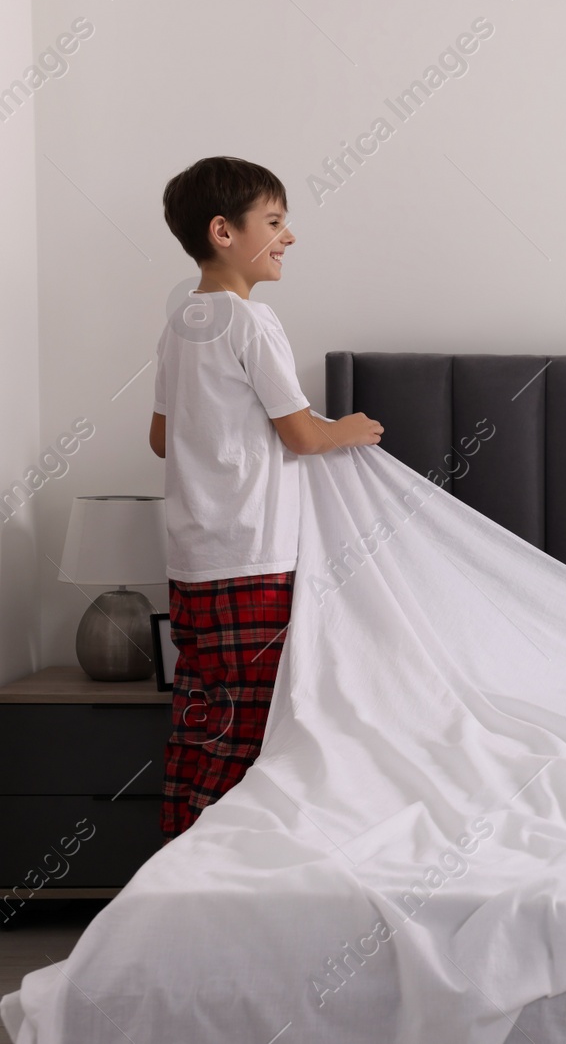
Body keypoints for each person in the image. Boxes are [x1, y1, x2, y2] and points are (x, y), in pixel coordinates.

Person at [149, 156, 383, 839]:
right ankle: (221, 871)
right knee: (251, 728)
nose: (289, 236)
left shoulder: (179, 325)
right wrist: (350, 429)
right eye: (275, 221)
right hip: (253, 557)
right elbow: (303, 436)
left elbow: (162, 439)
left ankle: (177, 855)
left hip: (193, 562)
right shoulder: (252, 322)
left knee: (203, 719)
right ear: (224, 231)